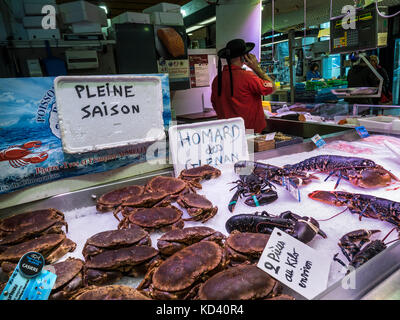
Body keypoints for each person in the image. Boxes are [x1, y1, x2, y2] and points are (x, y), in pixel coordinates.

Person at [211, 39, 276, 134]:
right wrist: (256, 68)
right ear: (244, 57)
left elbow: (214, 104)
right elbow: (272, 87)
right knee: (249, 149)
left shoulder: (217, 79)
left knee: (235, 149)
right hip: (249, 132)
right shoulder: (248, 77)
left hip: (227, 132)